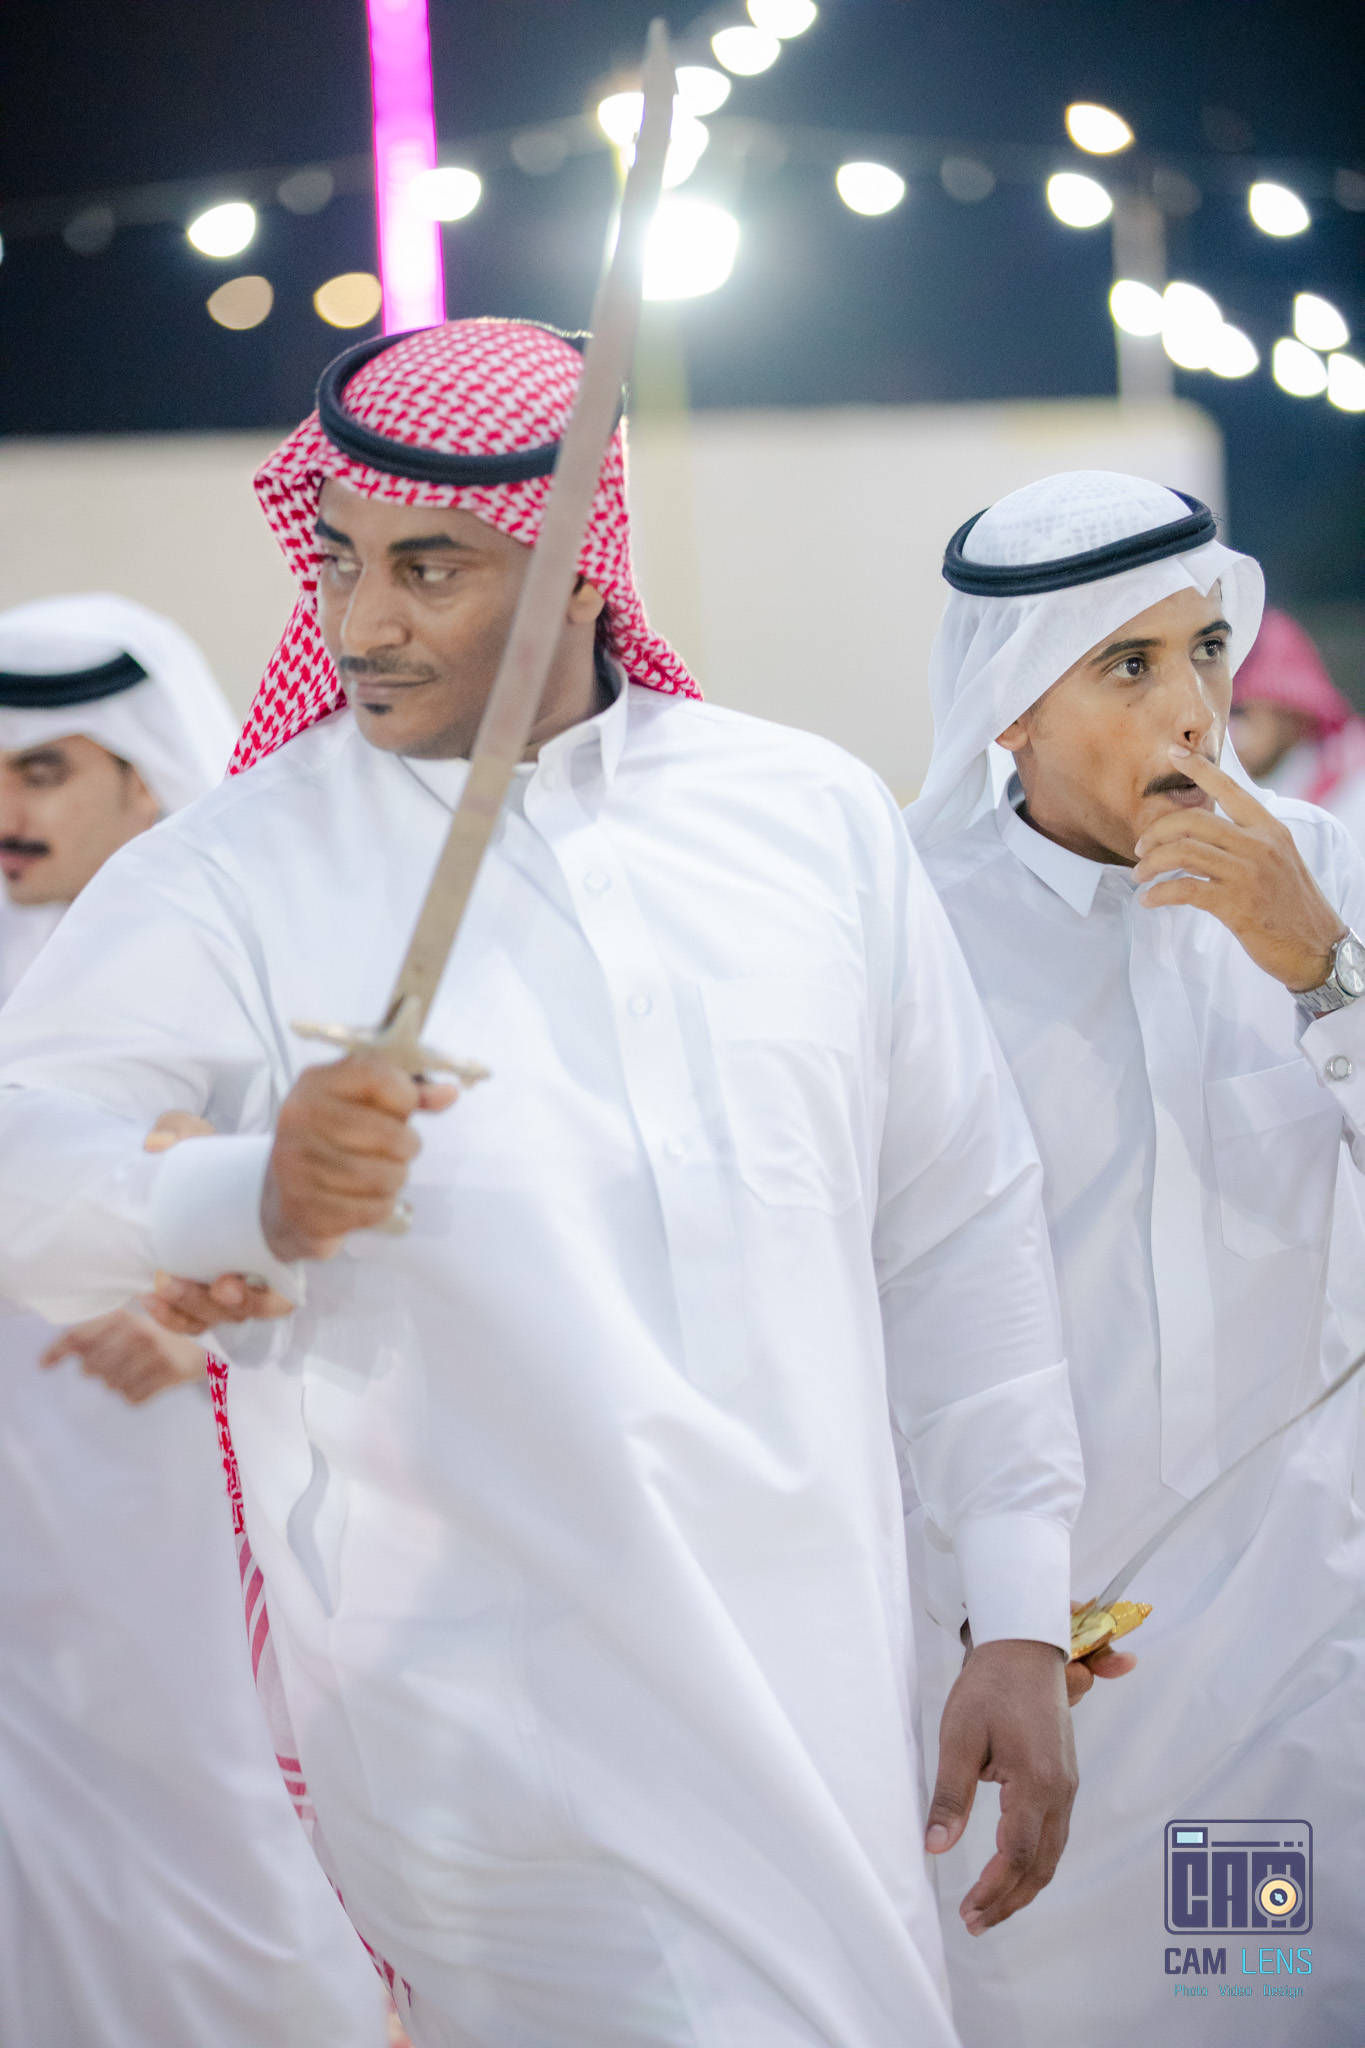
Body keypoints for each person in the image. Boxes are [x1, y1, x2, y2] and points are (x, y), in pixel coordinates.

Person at [0, 320, 1086, 2048]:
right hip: (481, 1718)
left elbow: (957, 1224)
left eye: (429, 567)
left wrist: (1016, 1607)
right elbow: (25, 1159)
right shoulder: (235, 869)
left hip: (817, 1680)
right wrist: (251, 1194)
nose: (362, 622)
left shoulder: (807, 817)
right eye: (341, 560)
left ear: (582, 561)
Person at [907, 471, 1365, 2047]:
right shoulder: (911, 935)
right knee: (1032, 2005)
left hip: (1280, 1656)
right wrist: (995, 1608)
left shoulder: (1328, 877)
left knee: (1251, 2002)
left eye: (1205, 652)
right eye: (1128, 664)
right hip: (1012, 1657)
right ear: (1009, 706)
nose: (1191, 712)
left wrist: (1321, 972)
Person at [0, 594, 387, 2047]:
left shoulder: (238, 956)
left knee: (215, 1795)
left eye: (44, 770)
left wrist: (190, 1319)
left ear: (147, 774)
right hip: (31, 1513)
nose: (8, 809)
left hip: (191, 1490)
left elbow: (348, 1215)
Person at [1229, 606, 1365, 848]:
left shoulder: (1353, 784)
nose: (1228, 730)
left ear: (1290, 712)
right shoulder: (1246, 783)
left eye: (1239, 712)